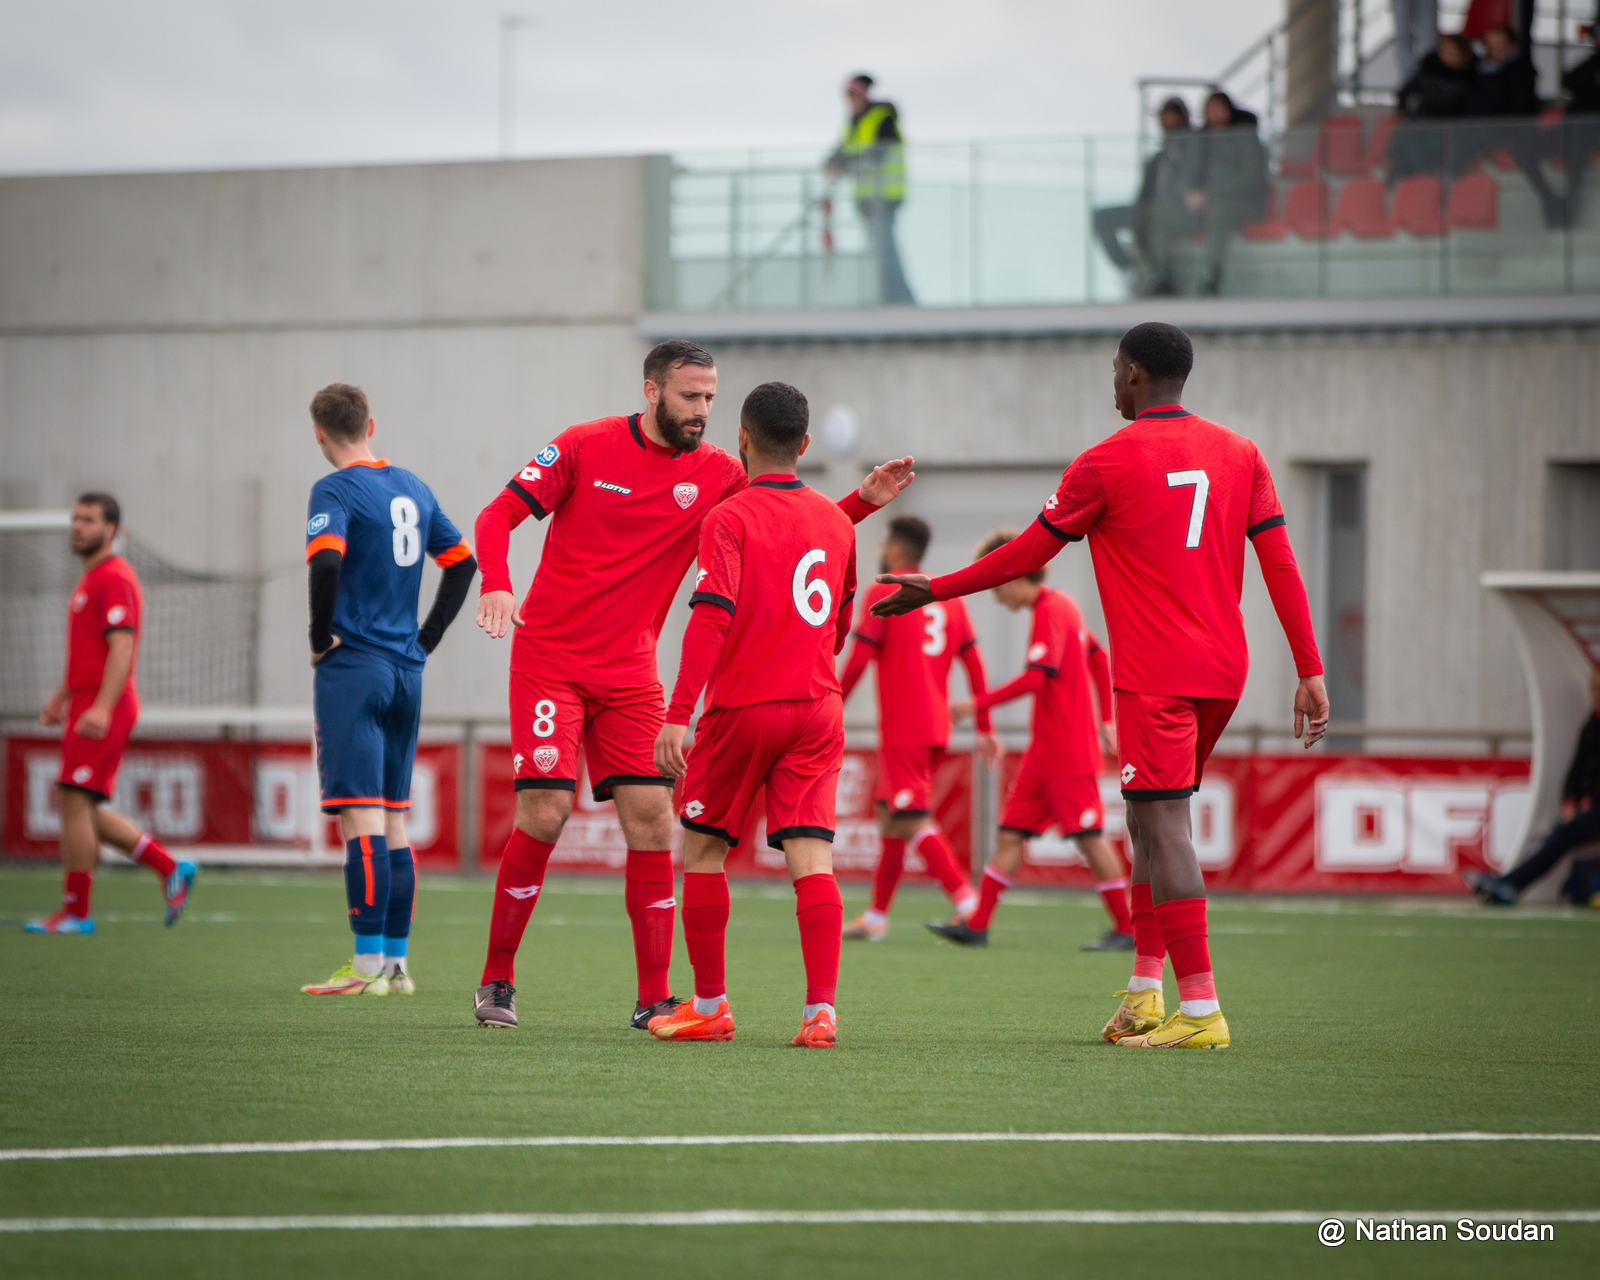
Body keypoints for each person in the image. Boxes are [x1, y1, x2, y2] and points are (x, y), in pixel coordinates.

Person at [871, 322, 1329, 1049]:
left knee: (1164, 825)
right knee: (1149, 822)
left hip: (1156, 675)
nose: (1111, 381)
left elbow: (1026, 551)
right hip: (1223, 670)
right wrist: (1310, 668)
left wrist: (937, 590)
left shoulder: (1105, 461)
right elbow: (1280, 562)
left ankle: (1202, 1009)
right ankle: (1147, 992)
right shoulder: (1242, 454)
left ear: (1137, 376)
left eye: (1116, 370)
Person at [470, 340, 912, 1030]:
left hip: (631, 675)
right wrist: (497, 583)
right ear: (651, 392)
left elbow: (786, 525)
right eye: (689, 397)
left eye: (710, 398)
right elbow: (496, 516)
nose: (702, 410)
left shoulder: (719, 474)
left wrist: (859, 503)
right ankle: (497, 979)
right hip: (550, 660)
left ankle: (654, 996)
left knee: (653, 824)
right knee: (546, 816)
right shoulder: (583, 447)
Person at [648, 382, 855, 1048]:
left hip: (745, 706)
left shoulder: (729, 517)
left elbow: (712, 616)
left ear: (740, 440)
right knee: (812, 857)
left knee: (705, 850)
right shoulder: (837, 521)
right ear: (805, 445)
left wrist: (678, 712)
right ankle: (820, 1011)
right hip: (819, 707)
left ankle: (709, 1007)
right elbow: (839, 621)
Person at [298, 384, 477, 996]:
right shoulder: (413, 486)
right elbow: (462, 562)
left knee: (362, 820)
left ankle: (366, 964)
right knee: (395, 821)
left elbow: (325, 563)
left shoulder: (334, 489)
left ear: (319, 433)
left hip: (356, 669)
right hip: (406, 671)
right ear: (371, 424)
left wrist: (320, 637)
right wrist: (424, 642)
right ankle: (396, 965)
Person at [932, 529, 1131, 951]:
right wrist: (1107, 720)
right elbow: (1099, 658)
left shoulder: (1051, 610)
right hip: (1045, 753)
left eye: (994, 584)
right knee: (1010, 834)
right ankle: (978, 924)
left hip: (1067, 752)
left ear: (1011, 574)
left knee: (1090, 837)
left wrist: (975, 705)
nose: (996, 597)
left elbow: (1037, 678)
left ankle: (1128, 927)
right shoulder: (1063, 607)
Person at [26, 494, 196, 934]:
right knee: (81, 807)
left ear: (112, 530)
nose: (77, 526)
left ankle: (77, 913)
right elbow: (92, 652)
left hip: (106, 703)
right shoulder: (92, 579)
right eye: (75, 518)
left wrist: (101, 706)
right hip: (87, 700)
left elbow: (122, 646)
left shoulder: (113, 577)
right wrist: (61, 694)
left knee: (72, 800)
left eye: (89, 520)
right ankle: (170, 867)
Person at [838, 516, 997, 941]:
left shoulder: (885, 591)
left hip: (905, 727)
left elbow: (858, 660)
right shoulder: (950, 599)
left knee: (908, 817)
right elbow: (974, 662)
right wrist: (983, 724)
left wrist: (828, 703)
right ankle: (876, 917)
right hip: (934, 725)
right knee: (889, 814)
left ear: (893, 549)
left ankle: (969, 904)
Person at [1468, 669, 1600, 905]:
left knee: (1564, 835)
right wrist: (1570, 801)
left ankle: (1512, 884)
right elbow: (1576, 770)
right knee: (1561, 833)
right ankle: (1514, 883)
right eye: (1594, 688)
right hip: (1592, 809)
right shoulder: (1591, 724)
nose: (1596, 694)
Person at [1456, 26, 1565, 227]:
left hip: (1511, 130)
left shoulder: (1520, 71)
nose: (1494, 51)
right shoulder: (1477, 72)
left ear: (1511, 47)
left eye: (1500, 46)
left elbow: (1521, 106)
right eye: (1490, 46)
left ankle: (1551, 201)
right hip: (1479, 130)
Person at [826, 73, 915, 306]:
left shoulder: (881, 119)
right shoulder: (853, 123)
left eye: (853, 95)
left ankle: (899, 300)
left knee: (885, 253)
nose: (850, 100)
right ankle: (887, 297)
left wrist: (846, 162)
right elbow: (843, 150)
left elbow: (876, 155)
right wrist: (833, 162)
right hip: (866, 198)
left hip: (885, 196)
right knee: (877, 254)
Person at [1092, 98, 1193, 281]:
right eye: (1165, 118)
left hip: (1181, 210)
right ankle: (1128, 268)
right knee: (1102, 217)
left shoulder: (1196, 150)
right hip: (1149, 210)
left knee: (1154, 218)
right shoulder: (1158, 158)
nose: (1168, 123)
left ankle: (1162, 276)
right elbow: (1145, 194)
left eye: (1173, 118)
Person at [1186, 92, 1269, 296]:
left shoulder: (1245, 137)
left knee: (1219, 209)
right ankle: (1163, 276)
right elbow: (1189, 174)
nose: (1214, 113)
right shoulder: (1201, 141)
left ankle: (1212, 274)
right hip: (1206, 203)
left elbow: (1251, 178)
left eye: (1219, 107)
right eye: (1209, 108)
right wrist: (1189, 195)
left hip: (1243, 203)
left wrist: (1210, 194)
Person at [1388, 33, 1479, 181]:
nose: (1448, 57)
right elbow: (1405, 92)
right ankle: (1413, 181)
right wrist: (1405, 111)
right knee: (1405, 140)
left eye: (1454, 53)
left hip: (1451, 132)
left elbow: (1469, 113)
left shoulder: (1472, 81)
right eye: (1445, 51)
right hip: (1423, 126)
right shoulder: (1428, 72)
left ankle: (1432, 184)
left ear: (1464, 56)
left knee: (1418, 148)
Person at [1560, 23, 1600, 221]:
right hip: (1576, 125)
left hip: (1592, 128)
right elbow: (1567, 80)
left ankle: (1572, 201)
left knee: (1577, 145)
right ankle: (1565, 201)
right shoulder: (1592, 62)